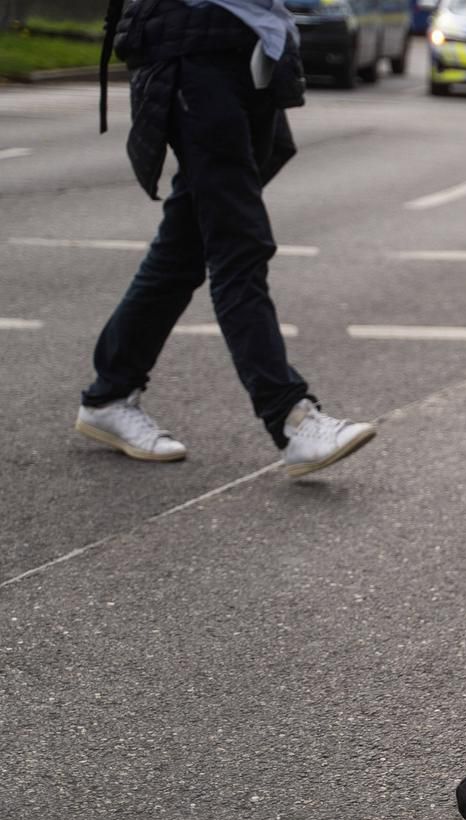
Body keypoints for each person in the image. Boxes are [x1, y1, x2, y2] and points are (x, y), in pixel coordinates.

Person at [78, 0, 375, 476]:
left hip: (247, 49)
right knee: (240, 244)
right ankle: (291, 419)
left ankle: (109, 394)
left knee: (185, 247)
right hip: (195, 50)